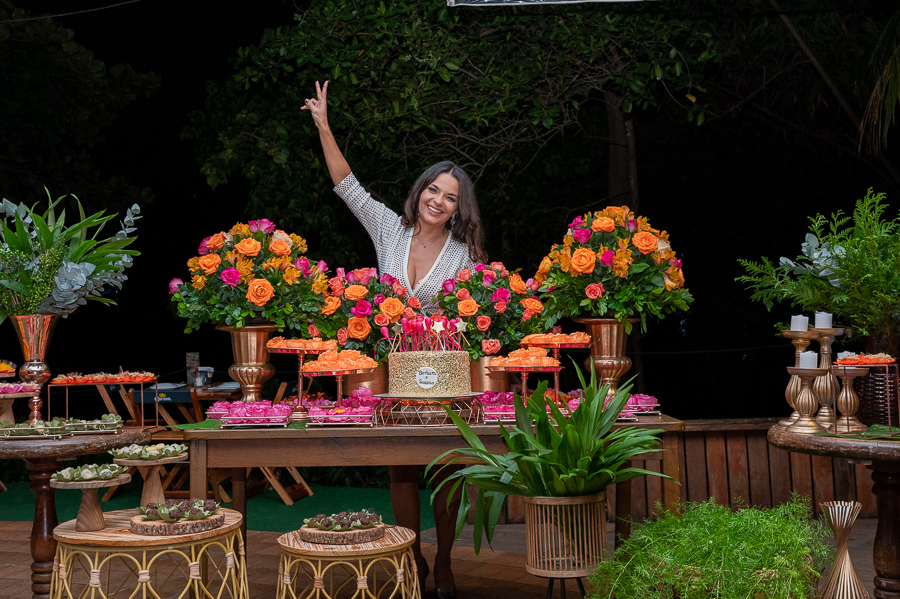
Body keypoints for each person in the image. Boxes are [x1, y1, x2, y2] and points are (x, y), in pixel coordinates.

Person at [303, 80, 487, 599]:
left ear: (457, 209)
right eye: (434, 189)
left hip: (444, 375)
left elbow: (473, 319)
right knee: (401, 469)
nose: (438, 200)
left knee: (448, 470)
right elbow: (347, 184)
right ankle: (413, 561)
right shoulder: (388, 228)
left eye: (450, 198)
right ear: (421, 190)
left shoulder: (464, 255)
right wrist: (323, 124)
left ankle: (445, 563)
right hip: (392, 374)